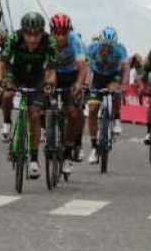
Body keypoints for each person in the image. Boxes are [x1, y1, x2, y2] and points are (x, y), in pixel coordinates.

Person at [0, 12, 58, 179]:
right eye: (28, 35)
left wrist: (49, 84)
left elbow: (52, 71)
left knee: (35, 114)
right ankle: (7, 122)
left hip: (37, 77)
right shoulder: (14, 38)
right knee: (8, 94)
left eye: (36, 35)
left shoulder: (49, 41)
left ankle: (33, 159)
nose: (32, 39)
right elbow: (1, 64)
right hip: (15, 72)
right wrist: (2, 81)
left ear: (42, 33)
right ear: (22, 32)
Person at [49, 13, 87, 176]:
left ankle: (68, 153)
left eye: (64, 32)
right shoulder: (47, 41)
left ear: (69, 32)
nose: (60, 36)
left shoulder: (75, 41)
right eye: (56, 32)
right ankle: (47, 129)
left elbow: (82, 67)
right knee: (42, 99)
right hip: (55, 74)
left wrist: (79, 84)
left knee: (73, 112)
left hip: (72, 75)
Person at [85, 26, 129, 164]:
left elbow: (126, 68)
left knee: (115, 91)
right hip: (98, 77)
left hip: (113, 76)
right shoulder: (92, 48)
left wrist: (124, 85)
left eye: (110, 47)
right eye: (104, 46)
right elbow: (86, 67)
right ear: (100, 43)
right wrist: (86, 83)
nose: (106, 49)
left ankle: (116, 118)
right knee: (92, 109)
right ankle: (93, 148)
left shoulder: (120, 49)